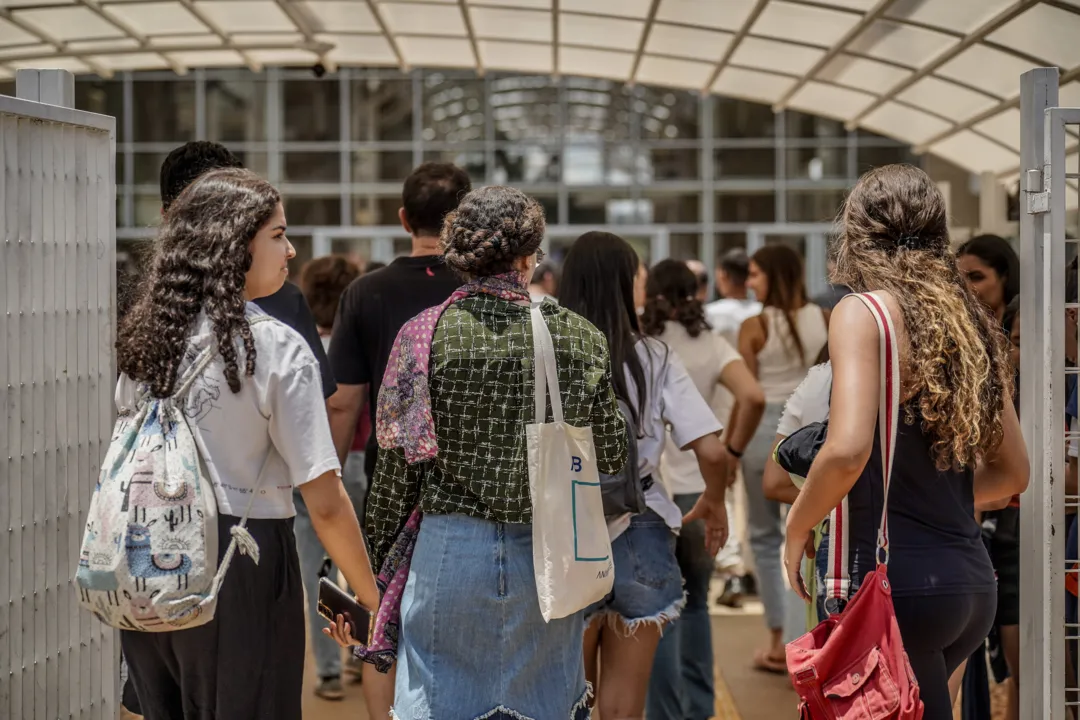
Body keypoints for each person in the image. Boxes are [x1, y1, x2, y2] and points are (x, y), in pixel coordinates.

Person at [339, 186, 627, 719]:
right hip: (549, 556)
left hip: (447, 554)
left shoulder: (421, 335)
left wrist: (372, 570)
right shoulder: (578, 336)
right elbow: (610, 452)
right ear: (527, 257)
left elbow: (395, 477)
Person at [117, 168, 380, 720]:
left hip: (146, 556)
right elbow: (325, 502)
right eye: (279, 234)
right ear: (236, 244)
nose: (291, 250)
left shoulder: (150, 336)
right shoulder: (276, 348)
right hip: (243, 559)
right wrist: (372, 598)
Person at [783, 164, 1029, 720]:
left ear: (857, 231)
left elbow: (846, 450)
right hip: (967, 583)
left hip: (892, 585)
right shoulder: (968, 323)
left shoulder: (862, 312)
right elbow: (1013, 472)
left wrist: (800, 524)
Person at [560, 232, 730, 720]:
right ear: (619, 282)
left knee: (573, 699)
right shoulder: (655, 356)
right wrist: (714, 501)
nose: (643, 284)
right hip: (644, 529)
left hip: (569, 533)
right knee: (624, 705)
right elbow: (712, 451)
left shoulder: (549, 355)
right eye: (636, 274)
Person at [327, 162, 469, 716]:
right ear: (462, 220)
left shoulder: (365, 293)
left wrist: (331, 482)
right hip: (466, 484)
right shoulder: (480, 289)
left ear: (404, 217)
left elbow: (344, 401)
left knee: (380, 617)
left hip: (389, 484)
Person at [641, 259, 765, 720]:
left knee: (661, 608)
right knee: (696, 605)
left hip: (653, 493)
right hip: (701, 491)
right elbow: (752, 395)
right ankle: (700, 710)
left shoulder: (643, 345)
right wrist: (731, 450)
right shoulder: (711, 343)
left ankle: (666, 713)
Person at [738, 244, 829, 673]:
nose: (748, 282)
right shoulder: (825, 319)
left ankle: (778, 639)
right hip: (812, 432)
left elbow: (750, 394)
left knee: (762, 535)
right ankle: (808, 636)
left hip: (763, 434)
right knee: (812, 528)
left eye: (755, 274)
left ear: (774, 276)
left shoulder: (754, 326)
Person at [295, 254, 364, 700]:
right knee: (362, 568)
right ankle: (362, 652)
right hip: (358, 462)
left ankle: (328, 672)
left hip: (307, 469)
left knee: (315, 574)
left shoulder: (298, 347)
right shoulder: (355, 347)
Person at [706, 249, 762, 606]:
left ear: (724, 276)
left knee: (722, 487)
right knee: (755, 499)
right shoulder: (760, 315)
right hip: (758, 407)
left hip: (720, 405)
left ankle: (731, 566)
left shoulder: (709, 315)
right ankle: (752, 567)